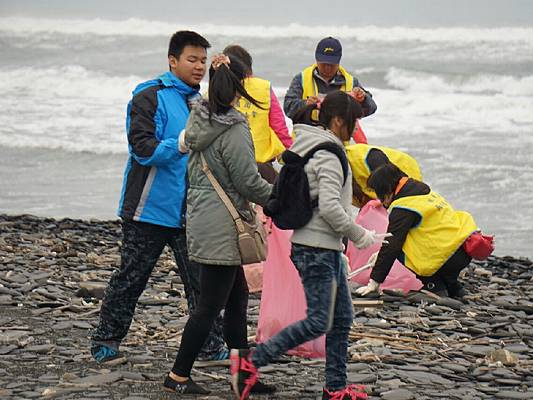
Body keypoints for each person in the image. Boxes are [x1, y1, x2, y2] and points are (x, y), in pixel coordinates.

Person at [229, 91, 388, 400]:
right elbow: (329, 207)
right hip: (316, 248)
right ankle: (251, 362)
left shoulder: (308, 144)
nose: (356, 129)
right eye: (353, 122)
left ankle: (335, 388)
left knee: (341, 318)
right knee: (319, 320)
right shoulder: (328, 153)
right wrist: (360, 235)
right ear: (339, 121)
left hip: (319, 246)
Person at [90, 31, 211, 363]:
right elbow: (141, 149)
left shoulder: (201, 102)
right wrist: (182, 143)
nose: (199, 67)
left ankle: (210, 344)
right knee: (130, 278)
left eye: (203, 60)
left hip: (192, 210)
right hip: (148, 210)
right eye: (192, 59)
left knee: (202, 283)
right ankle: (106, 340)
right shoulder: (149, 95)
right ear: (172, 60)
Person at [163, 54, 275, 395]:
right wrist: (280, 197)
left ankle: (242, 377)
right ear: (239, 89)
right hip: (224, 226)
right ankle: (178, 376)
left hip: (204, 219)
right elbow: (247, 181)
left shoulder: (198, 120)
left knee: (237, 299)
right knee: (210, 307)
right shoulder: (235, 126)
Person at [356, 163, 477, 299]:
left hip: (446, 257)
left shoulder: (404, 207)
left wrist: (374, 281)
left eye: (379, 193)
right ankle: (454, 287)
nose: (380, 200)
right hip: (463, 250)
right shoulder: (423, 191)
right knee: (417, 240)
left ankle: (434, 285)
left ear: (387, 188)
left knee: (399, 248)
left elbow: (392, 245)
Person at [223, 44, 292, 183]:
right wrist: (293, 157)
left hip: (226, 169)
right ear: (249, 67)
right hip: (261, 168)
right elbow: (279, 127)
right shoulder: (263, 88)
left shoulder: (213, 92)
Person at [283, 37, 377, 125]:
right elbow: (288, 108)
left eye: (332, 64)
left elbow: (371, 108)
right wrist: (305, 104)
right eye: (324, 63)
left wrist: (363, 99)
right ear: (316, 59)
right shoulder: (301, 79)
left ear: (339, 60)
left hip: (339, 141)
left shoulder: (351, 82)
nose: (327, 68)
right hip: (307, 138)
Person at [345, 143, 422, 208]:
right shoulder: (339, 178)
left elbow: (393, 187)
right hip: (383, 189)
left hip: (404, 170)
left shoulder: (366, 158)